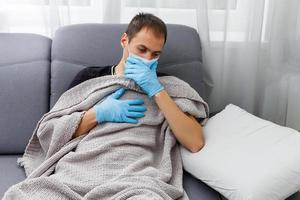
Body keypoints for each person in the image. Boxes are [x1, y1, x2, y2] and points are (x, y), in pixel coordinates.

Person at [69, 12, 205, 153]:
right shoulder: (89, 77)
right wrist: (97, 114)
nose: (147, 59)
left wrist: (157, 91)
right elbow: (55, 134)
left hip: (140, 164)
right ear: (124, 41)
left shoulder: (169, 85)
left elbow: (195, 142)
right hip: (88, 157)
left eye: (155, 54)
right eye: (142, 49)